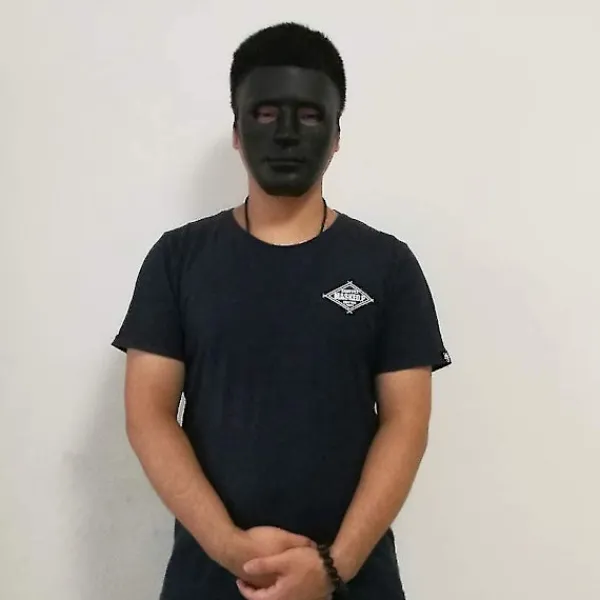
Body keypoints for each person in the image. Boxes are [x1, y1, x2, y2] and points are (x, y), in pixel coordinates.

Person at [112, 21, 451, 600]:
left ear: (337, 136)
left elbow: (406, 422)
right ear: (237, 132)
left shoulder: (387, 265)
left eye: (310, 116)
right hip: (210, 580)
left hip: (355, 580)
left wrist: (334, 567)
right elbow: (149, 415)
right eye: (265, 114)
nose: (288, 134)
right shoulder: (178, 259)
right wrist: (231, 549)